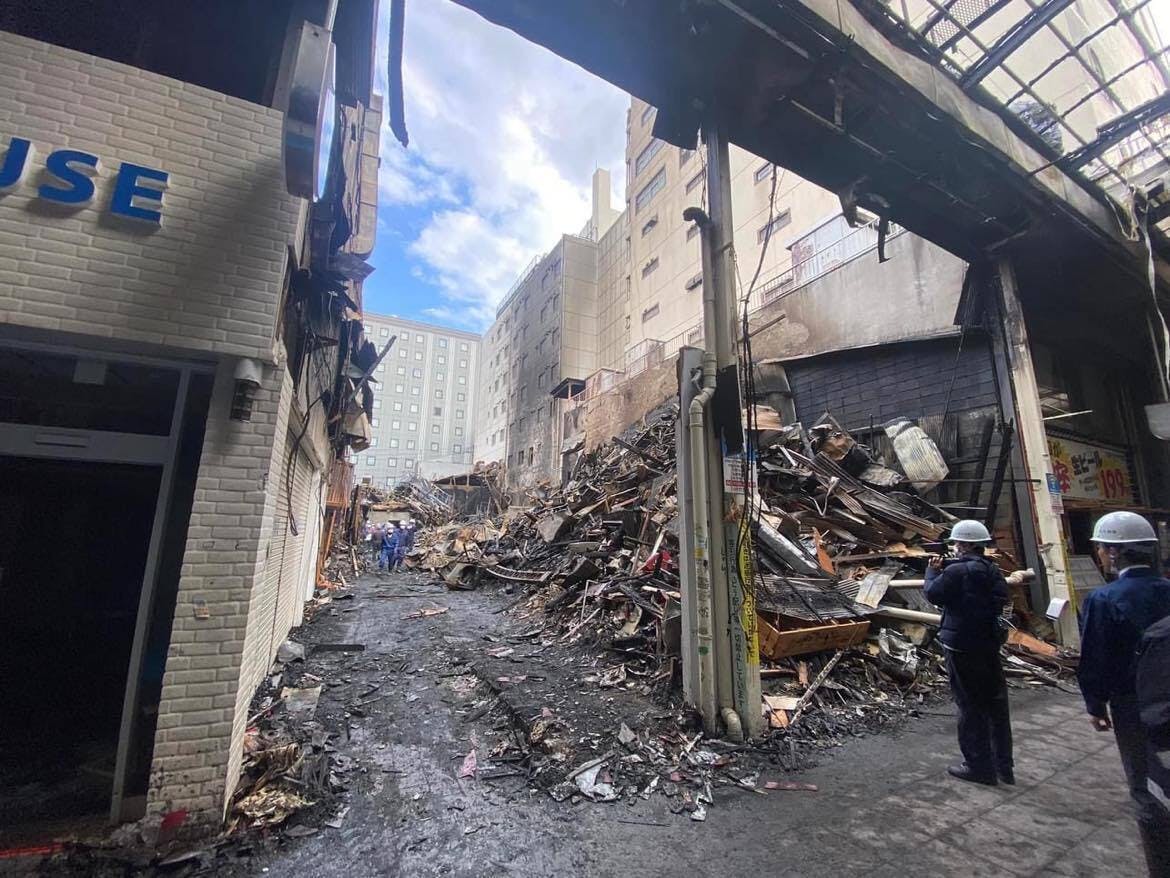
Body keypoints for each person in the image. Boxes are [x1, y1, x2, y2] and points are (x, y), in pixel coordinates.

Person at [1078, 510, 1170, 875]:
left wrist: (1095, 704)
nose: (1100, 554)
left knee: (1145, 784)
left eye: (1102, 548)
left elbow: (1095, 658)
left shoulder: (1104, 599)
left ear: (1115, 552)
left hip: (1133, 705)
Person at [925, 519, 1013, 786]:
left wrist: (932, 572)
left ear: (963, 544)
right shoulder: (993, 571)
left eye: (956, 543)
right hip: (988, 644)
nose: (954, 547)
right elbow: (1002, 601)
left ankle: (978, 766)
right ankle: (1004, 766)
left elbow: (933, 594)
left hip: (961, 646)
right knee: (996, 705)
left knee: (970, 705)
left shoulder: (956, 572)